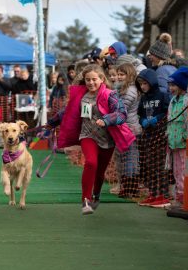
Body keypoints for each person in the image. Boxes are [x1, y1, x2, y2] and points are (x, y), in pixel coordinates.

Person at [47, 64, 135, 215]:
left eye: (94, 79)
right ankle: (85, 200)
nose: (91, 83)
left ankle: (96, 195)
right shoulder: (81, 95)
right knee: (91, 163)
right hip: (87, 135)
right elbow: (67, 112)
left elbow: (122, 114)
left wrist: (107, 120)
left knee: (100, 171)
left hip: (107, 138)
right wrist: (51, 123)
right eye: (88, 80)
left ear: (101, 79)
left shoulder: (110, 94)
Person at [136, 68, 170, 208]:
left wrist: (158, 118)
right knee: (149, 165)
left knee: (160, 166)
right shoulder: (143, 98)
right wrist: (143, 120)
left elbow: (168, 111)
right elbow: (140, 114)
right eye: (141, 84)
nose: (143, 86)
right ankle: (152, 194)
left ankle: (162, 195)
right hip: (148, 136)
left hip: (161, 136)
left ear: (152, 82)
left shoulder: (162, 95)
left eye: (145, 83)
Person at [114, 63, 141, 198]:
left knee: (130, 158)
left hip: (129, 128)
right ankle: (126, 185)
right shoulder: (121, 89)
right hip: (123, 128)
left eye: (122, 74)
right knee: (123, 158)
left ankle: (131, 187)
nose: (119, 77)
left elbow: (121, 109)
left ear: (129, 75)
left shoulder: (129, 90)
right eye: (118, 74)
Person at [166, 67, 188, 206]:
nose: (171, 88)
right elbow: (170, 118)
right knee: (176, 171)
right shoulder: (173, 101)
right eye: (169, 85)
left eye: (173, 85)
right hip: (173, 142)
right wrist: (168, 135)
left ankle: (184, 198)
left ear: (181, 85)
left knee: (183, 171)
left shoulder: (186, 101)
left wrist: (185, 136)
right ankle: (178, 197)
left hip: (183, 142)